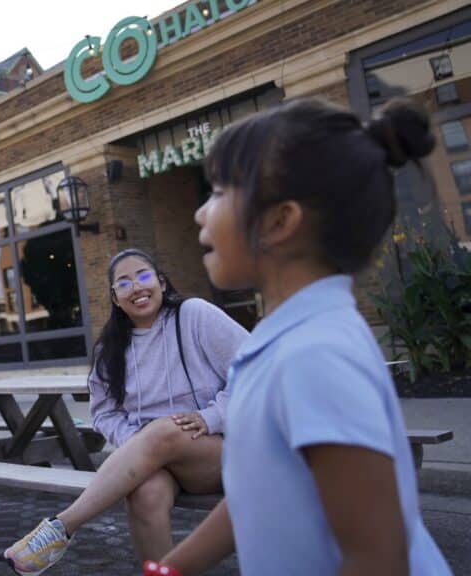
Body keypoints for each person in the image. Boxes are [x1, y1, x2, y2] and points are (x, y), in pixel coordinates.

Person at [147, 98, 452, 576]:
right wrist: (169, 569)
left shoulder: (315, 357)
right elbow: (258, 489)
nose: (200, 215)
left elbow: (378, 557)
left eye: (220, 192)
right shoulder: (281, 342)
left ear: (279, 221)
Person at [4, 249, 247, 574]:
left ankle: (61, 527)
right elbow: (104, 413)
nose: (137, 287)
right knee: (144, 495)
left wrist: (211, 416)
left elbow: (255, 370)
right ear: (116, 299)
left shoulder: (194, 315)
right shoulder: (111, 347)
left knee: (163, 431)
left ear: (161, 282)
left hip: (222, 453)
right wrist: (139, 445)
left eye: (144, 276)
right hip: (161, 461)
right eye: (124, 283)